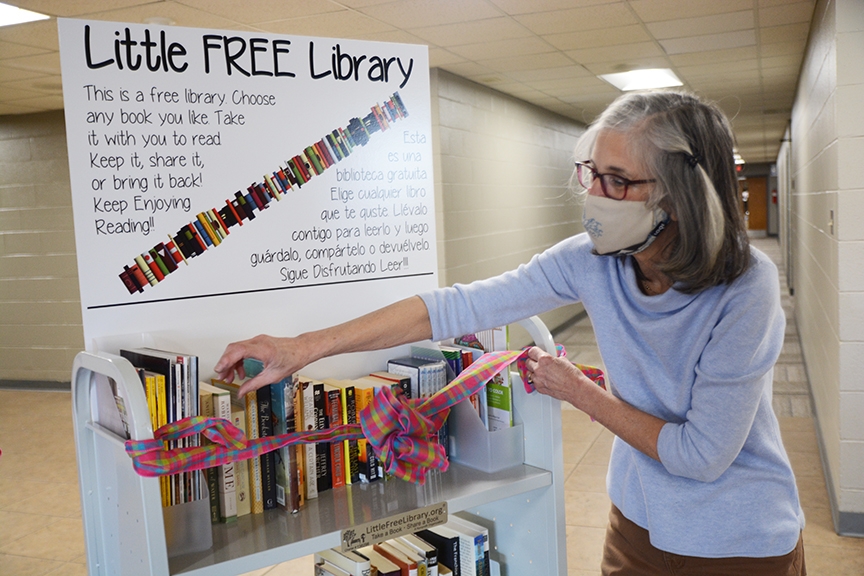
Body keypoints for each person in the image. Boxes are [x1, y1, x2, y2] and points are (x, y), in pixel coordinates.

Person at [215, 91, 805, 575]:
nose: (595, 197)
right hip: (638, 523)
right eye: (592, 175)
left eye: (618, 182)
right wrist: (304, 347)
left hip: (738, 540)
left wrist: (578, 391)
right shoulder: (591, 260)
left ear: (680, 195)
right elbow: (452, 308)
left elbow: (700, 456)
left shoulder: (745, 287)